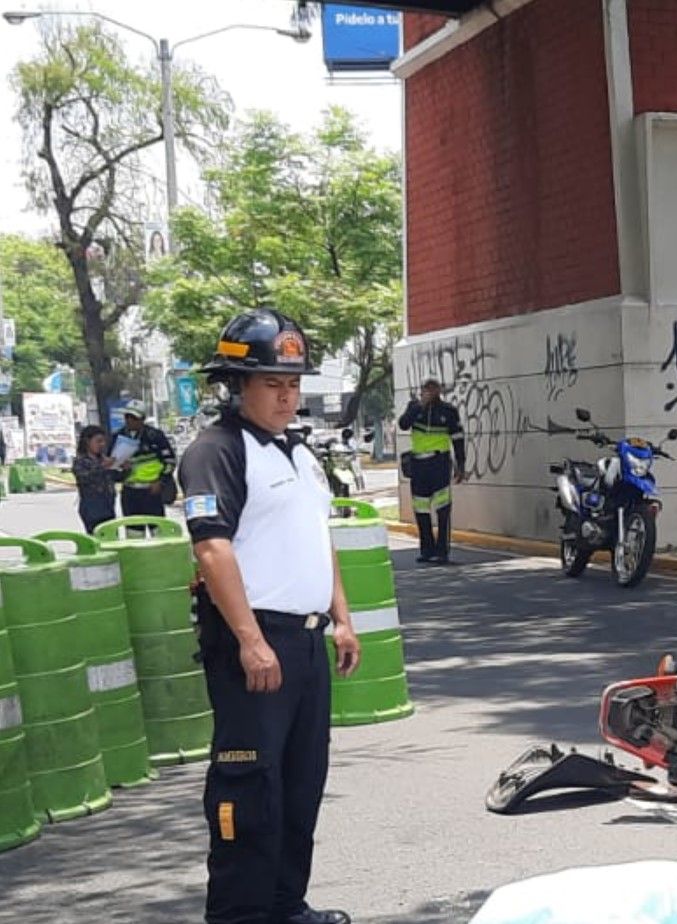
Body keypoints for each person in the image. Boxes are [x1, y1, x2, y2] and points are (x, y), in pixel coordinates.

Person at [178, 308, 360, 924]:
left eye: (293, 384)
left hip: (305, 642)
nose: (287, 397)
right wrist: (252, 642)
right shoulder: (216, 451)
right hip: (255, 642)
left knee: (300, 785)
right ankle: (240, 915)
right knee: (250, 789)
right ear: (237, 385)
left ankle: (286, 906)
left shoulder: (299, 454)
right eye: (272, 384)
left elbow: (318, 537)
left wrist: (341, 616)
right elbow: (212, 547)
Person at [398, 379, 466, 564]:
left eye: (432, 389)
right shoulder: (414, 407)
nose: (428, 392)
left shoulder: (448, 411)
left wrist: (461, 464)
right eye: (425, 390)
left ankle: (442, 551)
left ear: (438, 391)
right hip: (418, 464)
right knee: (421, 508)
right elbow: (403, 424)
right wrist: (420, 405)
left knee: (443, 509)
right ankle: (426, 549)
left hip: (440, 462)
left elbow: (458, 438)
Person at [112, 398, 176, 518]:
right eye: (127, 417)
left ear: (143, 419)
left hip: (152, 490)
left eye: (134, 418)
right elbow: (110, 466)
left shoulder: (155, 436)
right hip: (130, 492)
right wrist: (120, 469)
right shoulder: (117, 437)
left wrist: (160, 481)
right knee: (133, 532)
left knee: (158, 530)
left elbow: (170, 461)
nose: (130, 421)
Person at [71, 425, 119, 533]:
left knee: (111, 536)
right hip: (92, 506)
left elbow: (116, 477)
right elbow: (85, 477)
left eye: (103, 441)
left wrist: (124, 468)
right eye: (98, 441)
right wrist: (103, 466)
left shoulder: (103, 458)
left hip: (108, 504)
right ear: (87, 441)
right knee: (97, 537)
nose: (102, 445)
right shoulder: (81, 461)